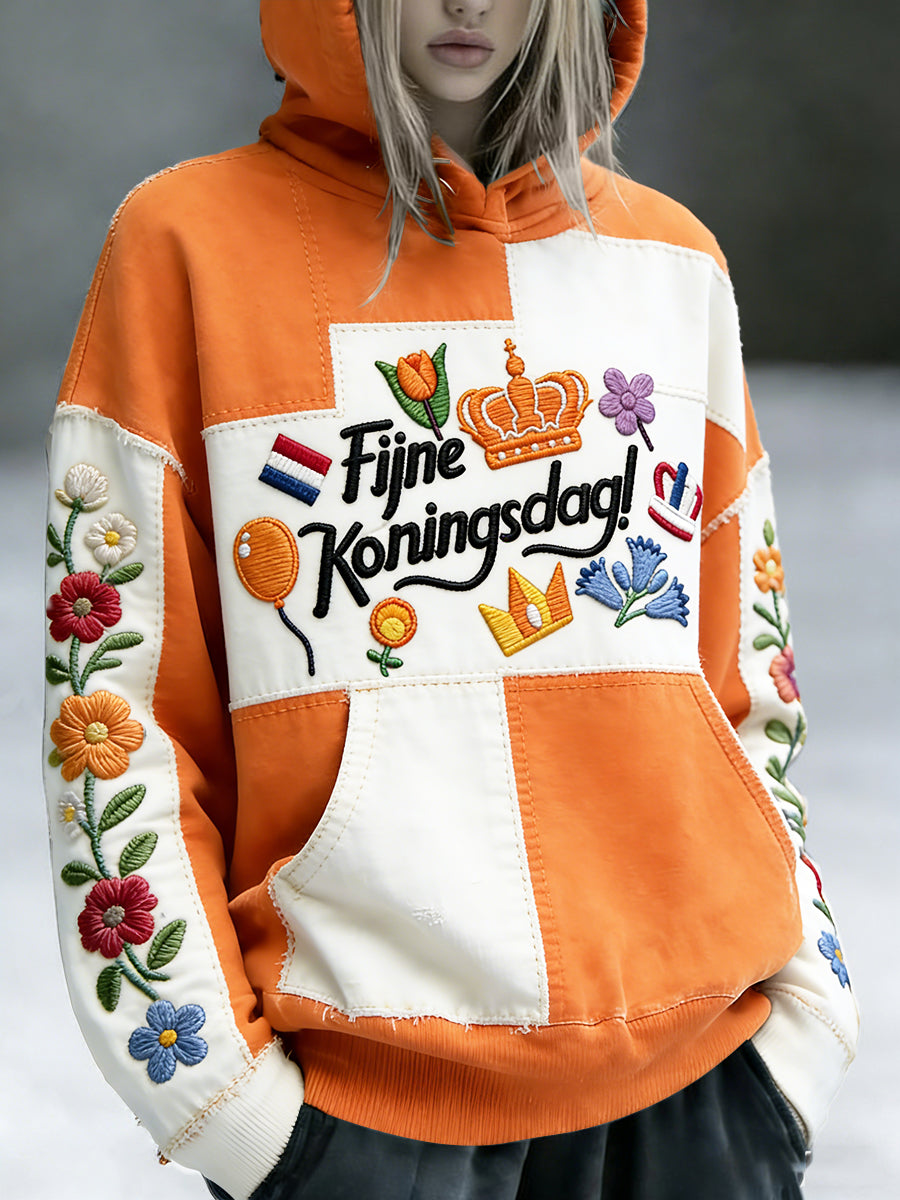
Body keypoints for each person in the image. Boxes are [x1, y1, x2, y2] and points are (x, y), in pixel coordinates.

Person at [43, 2, 858, 1197]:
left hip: (705, 1090)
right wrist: (223, 1103)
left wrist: (801, 1036)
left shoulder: (672, 264)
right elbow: (116, 714)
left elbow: (750, 682)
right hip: (359, 1118)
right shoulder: (187, 245)